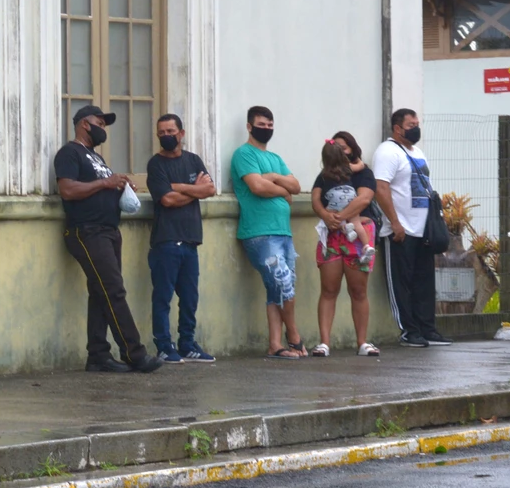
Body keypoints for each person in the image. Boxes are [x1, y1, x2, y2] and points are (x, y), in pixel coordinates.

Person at [54, 105, 164, 374]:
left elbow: (101, 187)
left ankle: (98, 355)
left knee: (100, 292)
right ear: (84, 125)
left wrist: (122, 187)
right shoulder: (70, 153)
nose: (103, 128)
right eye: (99, 123)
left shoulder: (97, 158)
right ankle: (135, 354)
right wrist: (105, 184)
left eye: (105, 125)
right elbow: (67, 190)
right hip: (87, 231)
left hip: (109, 231)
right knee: (113, 290)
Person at [230, 106, 306, 359]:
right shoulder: (243, 154)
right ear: (249, 127)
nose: (266, 129)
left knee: (278, 289)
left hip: (283, 233)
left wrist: (274, 176)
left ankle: (275, 344)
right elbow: (257, 186)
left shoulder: (275, 159)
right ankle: (294, 336)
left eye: (270, 125)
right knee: (283, 284)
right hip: (260, 234)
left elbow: (296, 185)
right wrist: (282, 190)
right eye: (261, 125)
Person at [371, 108, 450, 348]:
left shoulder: (418, 153)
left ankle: (428, 329)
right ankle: (409, 331)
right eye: (411, 124)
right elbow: (381, 188)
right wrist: (395, 223)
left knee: (424, 283)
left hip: (423, 229)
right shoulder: (387, 152)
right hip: (400, 230)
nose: (416, 127)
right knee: (402, 283)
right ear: (397, 128)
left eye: (417, 123)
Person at [145, 113, 217, 364]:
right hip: (166, 241)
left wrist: (178, 187)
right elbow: (166, 199)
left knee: (189, 297)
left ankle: (187, 343)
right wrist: (194, 191)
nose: (166, 136)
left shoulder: (193, 160)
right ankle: (164, 346)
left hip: (190, 241)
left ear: (181, 133)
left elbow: (210, 189)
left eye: (170, 131)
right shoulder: (155, 165)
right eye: (161, 132)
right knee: (163, 297)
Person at [310, 134, 380, 357]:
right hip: (332, 236)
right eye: (336, 148)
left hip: (358, 235)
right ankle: (324, 343)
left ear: (352, 149)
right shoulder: (325, 175)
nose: (340, 152)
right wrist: (323, 214)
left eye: (344, 147)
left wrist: (337, 217)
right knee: (329, 289)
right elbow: (316, 197)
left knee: (358, 290)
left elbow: (363, 200)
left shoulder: (363, 172)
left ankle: (362, 342)